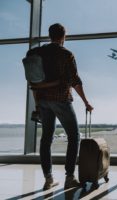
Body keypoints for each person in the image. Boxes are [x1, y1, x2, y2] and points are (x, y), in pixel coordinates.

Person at [30, 23, 93, 190]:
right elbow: (75, 81)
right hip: (60, 99)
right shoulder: (66, 54)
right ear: (64, 36)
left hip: (43, 100)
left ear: (50, 35)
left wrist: (37, 103)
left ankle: (48, 178)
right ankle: (69, 177)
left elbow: (32, 80)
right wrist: (86, 102)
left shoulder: (37, 52)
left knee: (46, 138)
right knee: (74, 136)